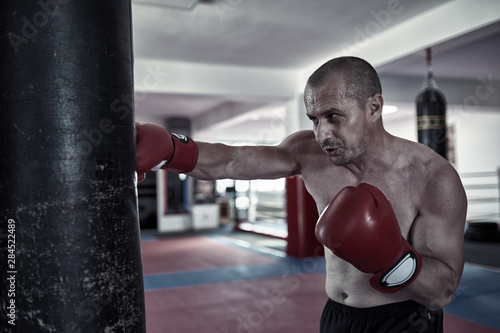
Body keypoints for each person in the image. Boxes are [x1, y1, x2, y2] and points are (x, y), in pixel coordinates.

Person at [135, 56, 467, 333]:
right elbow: (233, 160)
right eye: (315, 119)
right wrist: (171, 149)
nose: (323, 134)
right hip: (337, 316)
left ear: (374, 107)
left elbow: (442, 292)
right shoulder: (309, 153)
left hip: (404, 322)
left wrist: (391, 257)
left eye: (334, 117)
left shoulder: (433, 178)